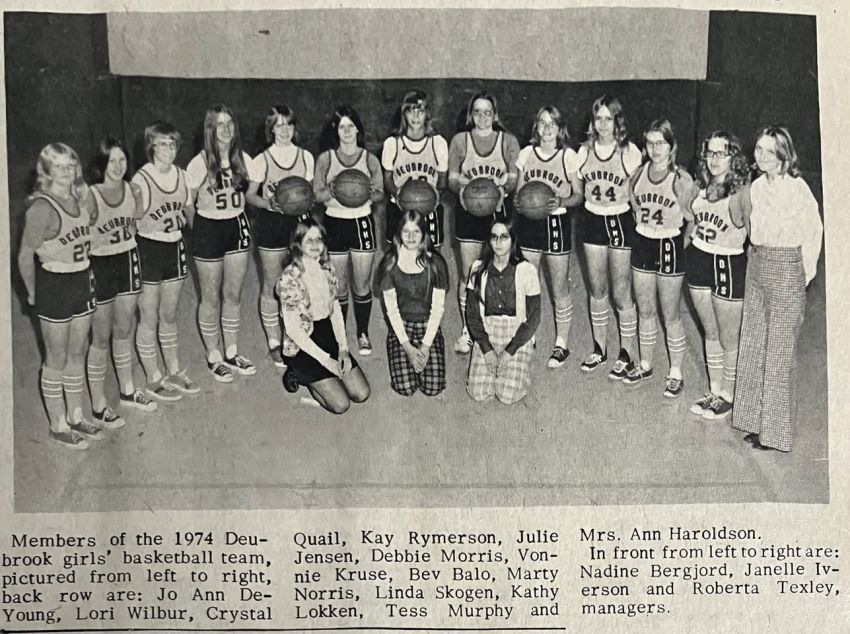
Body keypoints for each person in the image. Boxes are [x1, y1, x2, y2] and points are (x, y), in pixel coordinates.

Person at [732, 125, 822, 452]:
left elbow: (814, 233)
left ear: (784, 155)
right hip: (757, 264)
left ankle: (775, 435)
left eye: (770, 151)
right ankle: (754, 421)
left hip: (787, 268)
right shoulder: (755, 187)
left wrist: (802, 276)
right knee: (754, 343)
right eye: (758, 150)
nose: (762, 157)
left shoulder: (798, 189)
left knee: (780, 352)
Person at [17, 143, 101, 449]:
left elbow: (91, 224)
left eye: (71, 165)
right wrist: (32, 293)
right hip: (54, 283)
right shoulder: (41, 208)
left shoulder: (80, 197)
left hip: (82, 278)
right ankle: (57, 424)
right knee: (56, 357)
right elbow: (25, 255)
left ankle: (76, 415)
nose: (67, 172)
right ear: (47, 171)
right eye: (60, 167)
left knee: (78, 353)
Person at [186, 104, 256, 383]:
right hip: (208, 226)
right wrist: (201, 232)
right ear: (210, 129)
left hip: (236, 224)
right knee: (210, 295)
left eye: (229, 123)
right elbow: (187, 206)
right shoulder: (198, 163)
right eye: (219, 124)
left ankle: (232, 350)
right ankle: (213, 355)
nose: (226, 129)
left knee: (234, 294)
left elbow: (252, 195)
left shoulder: (244, 159)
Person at [448, 91, 521, 354]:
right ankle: (469, 329)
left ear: (495, 114)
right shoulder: (459, 141)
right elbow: (452, 178)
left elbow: (513, 178)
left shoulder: (508, 141)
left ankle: (506, 325)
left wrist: (502, 190)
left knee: (502, 268)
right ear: (470, 114)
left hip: (498, 211)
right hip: (467, 209)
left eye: (487, 111)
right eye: (476, 111)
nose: (481, 117)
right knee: (469, 273)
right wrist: (462, 192)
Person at [685, 131, 750, 420]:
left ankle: (729, 394)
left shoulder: (741, 192)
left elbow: (754, 232)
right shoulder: (698, 186)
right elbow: (689, 225)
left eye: (721, 153)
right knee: (709, 331)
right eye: (710, 153)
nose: (714, 159)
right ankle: (714, 389)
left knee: (728, 337)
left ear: (733, 157)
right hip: (699, 258)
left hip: (727, 262)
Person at [132, 121, 198, 401]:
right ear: (151, 147)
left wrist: (189, 224)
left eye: (172, 143)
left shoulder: (183, 176)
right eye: (161, 144)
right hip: (148, 249)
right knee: (148, 317)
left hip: (174, 248)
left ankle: (173, 369)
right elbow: (131, 223)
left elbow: (189, 211)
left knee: (169, 315)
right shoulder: (141, 180)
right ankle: (152, 377)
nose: (168, 149)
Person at [627, 118, 694, 396]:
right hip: (643, 241)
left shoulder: (681, 179)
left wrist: (681, 245)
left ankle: (676, 371)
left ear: (671, 146)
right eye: (650, 143)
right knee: (645, 308)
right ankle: (644, 363)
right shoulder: (637, 174)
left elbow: (693, 220)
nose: (655, 149)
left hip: (669, 243)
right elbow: (634, 210)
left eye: (661, 143)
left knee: (671, 313)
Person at [85, 137, 149, 428]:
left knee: (124, 330)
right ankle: (99, 404)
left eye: (122, 160)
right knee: (100, 338)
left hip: (127, 260)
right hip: (99, 264)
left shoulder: (133, 190)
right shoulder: (90, 194)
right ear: (102, 164)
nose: (118, 166)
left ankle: (127, 390)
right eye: (112, 160)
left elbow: (136, 224)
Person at [245, 105, 315, 368]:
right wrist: (268, 203)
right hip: (271, 223)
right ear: (271, 129)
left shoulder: (306, 156)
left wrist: (308, 201)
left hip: (298, 224)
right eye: (279, 124)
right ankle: (274, 341)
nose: (284, 130)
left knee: (300, 283)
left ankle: (295, 335)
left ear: (294, 127)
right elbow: (250, 196)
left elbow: (309, 194)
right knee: (272, 284)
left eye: (288, 124)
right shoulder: (261, 159)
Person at [577, 95, 642, 378]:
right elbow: (577, 190)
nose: (603, 124)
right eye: (598, 118)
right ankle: (599, 348)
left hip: (619, 220)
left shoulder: (629, 151)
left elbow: (641, 191)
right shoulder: (582, 152)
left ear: (617, 121)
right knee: (597, 288)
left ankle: (626, 352)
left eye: (608, 118)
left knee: (621, 290)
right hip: (592, 219)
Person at [277, 217, 370, 413]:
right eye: (308, 240)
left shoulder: (327, 268)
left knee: (361, 394)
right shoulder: (289, 277)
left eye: (319, 239)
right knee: (341, 405)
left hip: (325, 333)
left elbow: (335, 310)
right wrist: (326, 360)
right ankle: (299, 375)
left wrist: (343, 349)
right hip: (302, 342)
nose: (315, 245)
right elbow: (294, 330)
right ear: (297, 243)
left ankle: (325, 379)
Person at [515, 106, 584, 368]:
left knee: (559, 286)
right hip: (530, 224)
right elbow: (519, 193)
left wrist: (561, 201)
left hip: (556, 221)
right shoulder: (526, 153)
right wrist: (520, 204)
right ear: (536, 127)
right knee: (529, 282)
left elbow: (579, 195)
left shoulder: (568, 156)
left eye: (551, 123)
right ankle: (528, 334)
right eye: (541, 123)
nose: (546, 128)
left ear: (560, 127)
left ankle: (561, 343)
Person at [313, 105, 384, 356]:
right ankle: (340, 334)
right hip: (334, 223)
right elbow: (317, 195)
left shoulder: (369, 158)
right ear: (336, 130)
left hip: (361, 222)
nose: (346, 131)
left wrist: (361, 191)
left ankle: (363, 333)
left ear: (357, 129)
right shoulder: (326, 159)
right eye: (341, 126)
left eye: (350, 126)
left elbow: (380, 192)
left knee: (362, 285)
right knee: (339, 286)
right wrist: (335, 190)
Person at [465, 218, 540, 404]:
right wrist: (486, 349)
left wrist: (510, 351)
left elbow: (533, 318)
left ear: (513, 240)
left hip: (517, 332)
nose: (498, 242)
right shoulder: (477, 268)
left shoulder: (527, 270)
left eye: (504, 237)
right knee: (479, 392)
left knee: (507, 396)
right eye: (494, 237)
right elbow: (472, 314)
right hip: (487, 330)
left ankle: (522, 361)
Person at [377, 210, 449, 396]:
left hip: (427, 324)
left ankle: (433, 347)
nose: (410, 237)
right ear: (398, 234)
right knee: (405, 388)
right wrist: (407, 348)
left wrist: (425, 346)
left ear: (424, 234)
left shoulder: (436, 264)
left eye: (416, 231)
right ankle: (402, 350)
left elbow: (437, 310)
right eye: (405, 231)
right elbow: (391, 311)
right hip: (402, 325)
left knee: (433, 388)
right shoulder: (389, 263)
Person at [381, 89, 450, 250]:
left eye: (420, 111)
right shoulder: (392, 143)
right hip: (399, 206)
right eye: (410, 111)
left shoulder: (438, 143)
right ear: (403, 114)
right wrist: (397, 192)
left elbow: (442, 179)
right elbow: (387, 179)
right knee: (396, 257)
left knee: (432, 256)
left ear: (427, 114)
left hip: (429, 206)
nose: (416, 116)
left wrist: (435, 192)